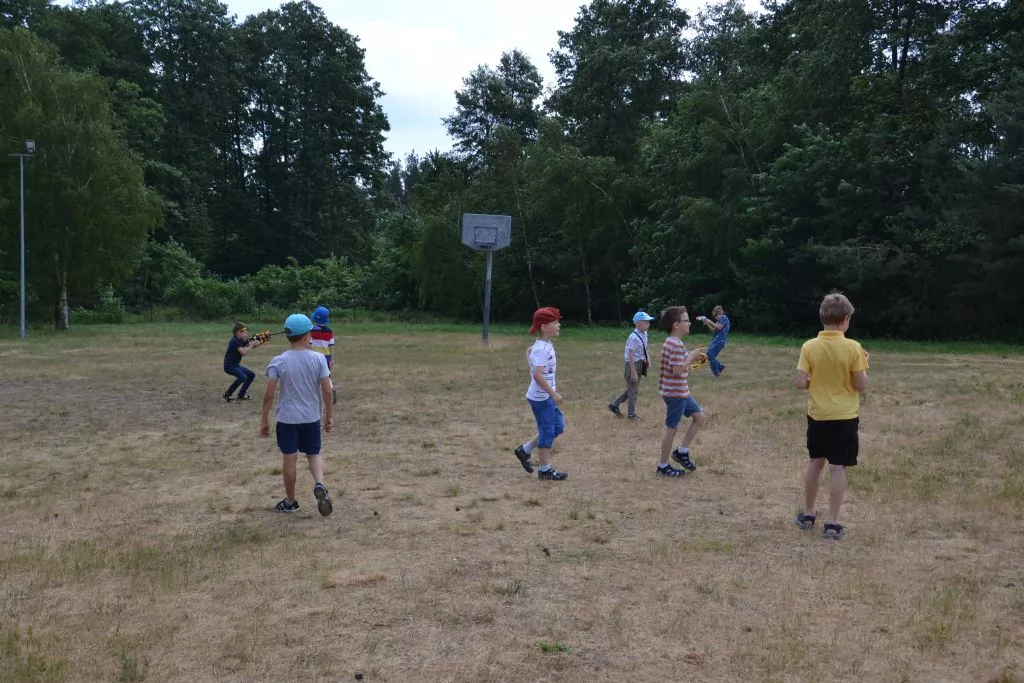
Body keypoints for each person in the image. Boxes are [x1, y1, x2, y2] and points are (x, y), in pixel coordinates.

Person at [794, 292, 869, 539]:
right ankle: (832, 522)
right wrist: (864, 364)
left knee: (815, 463)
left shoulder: (809, 346)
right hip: (845, 417)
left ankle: (808, 513)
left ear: (822, 317)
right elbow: (860, 384)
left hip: (818, 415)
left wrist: (811, 380)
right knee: (838, 468)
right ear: (845, 319)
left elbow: (799, 382)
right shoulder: (854, 348)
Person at [259, 313, 335, 516]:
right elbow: (327, 391)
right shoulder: (319, 359)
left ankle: (291, 501)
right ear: (307, 335)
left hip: (287, 419)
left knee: (289, 458)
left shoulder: (278, 361)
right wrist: (329, 416)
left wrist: (264, 421)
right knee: (314, 453)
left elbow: (268, 396)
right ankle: (319, 484)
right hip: (311, 417)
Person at [512, 307, 568, 481]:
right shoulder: (542, 348)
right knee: (547, 431)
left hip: (544, 397)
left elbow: (531, 357)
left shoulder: (543, 346)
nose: (559, 325)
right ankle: (545, 470)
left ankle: (525, 450)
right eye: (555, 322)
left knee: (557, 427)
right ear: (544, 326)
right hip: (541, 399)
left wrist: (529, 354)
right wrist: (554, 394)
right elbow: (537, 375)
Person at [656, 306, 707, 478]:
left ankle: (681, 451)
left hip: (681, 391)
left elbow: (681, 365)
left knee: (699, 417)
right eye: (686, 320)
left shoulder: (675, 343)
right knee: (671, 429)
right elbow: (678, 370)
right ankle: (663, 466)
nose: (690, 323)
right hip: (675, 394)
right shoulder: (674, 344)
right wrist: (691, 356)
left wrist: (694, 358)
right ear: (676, 325)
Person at [608, 311, 656, 420]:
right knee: (633, 391)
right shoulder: (633, 337)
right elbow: (631, 355)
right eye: (646, 322)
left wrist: (648, 359)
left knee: (632, 389)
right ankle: (631, 415)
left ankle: (614, 405)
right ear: (638, 324)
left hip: (639, 363)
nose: (648, 324)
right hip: (632, 364)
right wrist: (633, 372)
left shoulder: (644, 334)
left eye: (649, 322)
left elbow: (645, 348)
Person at [223, 322, 264, 402]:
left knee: (251, 375)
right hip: (229, 366)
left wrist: (262, 340)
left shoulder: (242, 340)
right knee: (243, 377)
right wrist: (252, 345)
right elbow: (244, 353)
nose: (246, 334)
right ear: (239, 332)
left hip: (236, 365)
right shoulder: (234, 341)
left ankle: (241, 395)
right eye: (245, 332)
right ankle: (227, 394)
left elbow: (253, 346)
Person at [309, 305, 337, 405]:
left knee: (313, 377)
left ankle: (313, 396)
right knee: (327, 377)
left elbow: (309, 344)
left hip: (314, 357)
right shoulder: (329, 332)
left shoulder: (312, 330)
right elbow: (331, 346)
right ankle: (331, 391)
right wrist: (331, 360)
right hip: (326, 357)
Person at [699, 305, 731, 377]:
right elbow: (713, 330)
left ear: (721, 313)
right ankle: (720, 367)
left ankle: (716, 371)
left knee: (710, 356)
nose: (716, 317)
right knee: (709, 355)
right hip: (716, 340)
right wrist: (707, 324)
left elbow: (719, 328)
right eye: (715, 316)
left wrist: (709, 321)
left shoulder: (724, 318)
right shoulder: (719, 321)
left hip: (720, 341)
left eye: (717, 315)